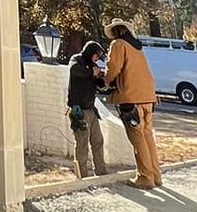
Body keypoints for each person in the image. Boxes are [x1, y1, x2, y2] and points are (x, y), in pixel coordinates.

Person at [105, 19, 162, 189]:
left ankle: (145, 177)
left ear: (115, 32)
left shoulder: (118, 44)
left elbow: (113, 68)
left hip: (131, 98)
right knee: (147, 136)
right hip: (148, 97)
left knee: (137, 138)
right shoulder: (138, 48)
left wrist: (106, 80)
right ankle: (156, 175)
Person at [65, 41, 107, 177]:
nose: (97, 59)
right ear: (90, 52)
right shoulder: (76, 59)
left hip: (91, 109)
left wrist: (102, 77)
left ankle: (101, 172)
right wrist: (91, 72)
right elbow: (74, 70)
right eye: (96, 56)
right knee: (82, 143)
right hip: (78, 109)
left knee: (98, 141)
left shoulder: (92, 66)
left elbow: (99, 85)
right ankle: (82, 175)